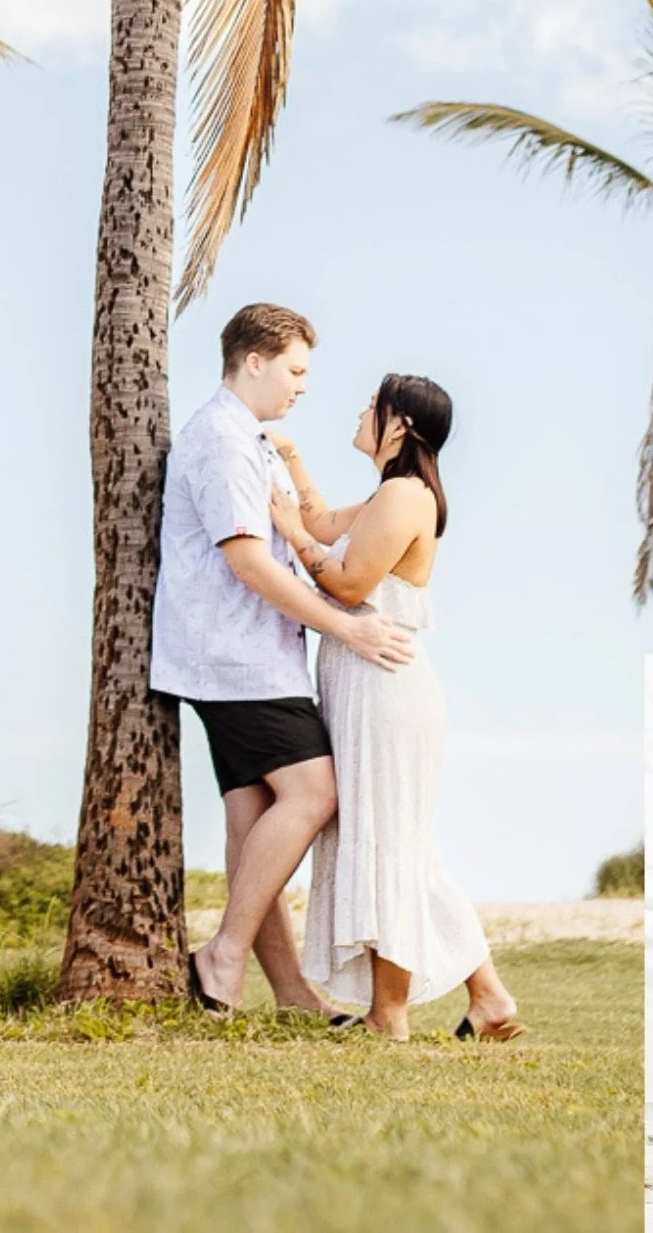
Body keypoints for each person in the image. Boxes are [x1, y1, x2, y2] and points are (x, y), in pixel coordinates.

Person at [149, 304, 413, 1016]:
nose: (302, 386)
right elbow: (249, 565)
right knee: (315, 793)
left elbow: (304, 530)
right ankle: (222, 954)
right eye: (295, 370)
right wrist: (347, 631)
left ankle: (291, 993)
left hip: (245, 656)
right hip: (236, 659)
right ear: (255, 361)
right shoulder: (224, 443)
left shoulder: (254, 440)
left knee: (253, 818)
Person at [267, 373, 524, 1043]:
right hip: (364, 687)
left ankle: (389, 1015)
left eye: (372, 406)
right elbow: (324, 524)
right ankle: (489, 998)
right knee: (401, 850)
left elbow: (347, 580)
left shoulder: (406, 496)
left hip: (384, 691)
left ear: (399, 424)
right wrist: (290, 464)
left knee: (388, 848)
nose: (360, 411)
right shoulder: (391, 494)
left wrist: (291, 537)